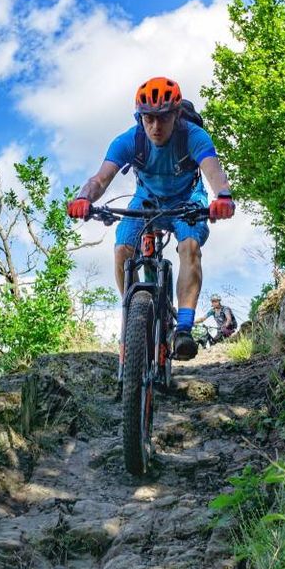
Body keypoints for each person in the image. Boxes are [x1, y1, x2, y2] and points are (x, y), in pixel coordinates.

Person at [66, 76, 235, 361]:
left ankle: (182, 329)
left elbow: (214, 172)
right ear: (139, 117)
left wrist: (223, 198)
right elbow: (100, 179)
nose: (156, 127)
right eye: (148, 119)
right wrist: (84, 199)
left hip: (187, 202)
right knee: (122, 249)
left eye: (163, 118)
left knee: (190, 248)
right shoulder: (129, 141)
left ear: (177, 115)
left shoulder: (193, 137)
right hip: (146, 202)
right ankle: (132, 315)